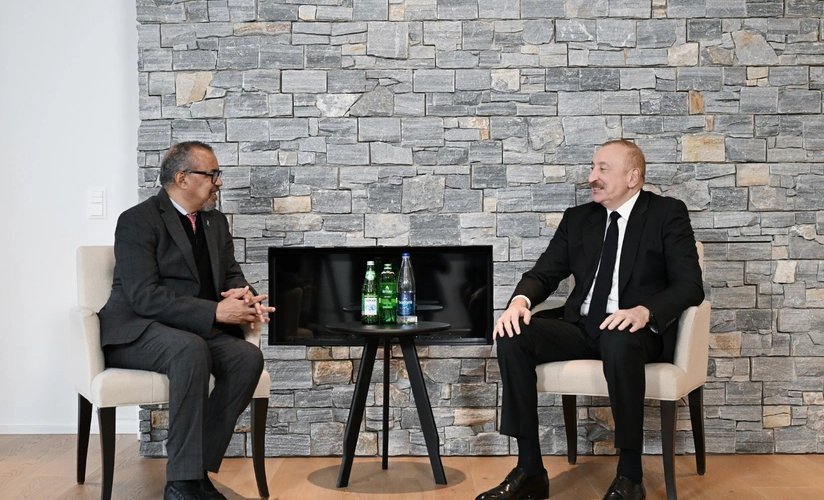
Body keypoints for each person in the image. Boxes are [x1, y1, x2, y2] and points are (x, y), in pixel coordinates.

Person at [476, 140, 704, 500]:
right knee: (513, 333)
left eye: (602, 169)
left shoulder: (666, 213)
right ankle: (530, 469)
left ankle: (630, 477)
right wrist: (519, 302)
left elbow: (690, 285)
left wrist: (644, 311)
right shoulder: (579, 219)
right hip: (582, 327)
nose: (591, 177)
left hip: (635, 331)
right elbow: (544, 273)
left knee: (618, 338)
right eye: (592, 167)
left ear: (633, 177)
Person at [99, 141, 275, 500]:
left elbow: (231, 275)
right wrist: (214, 312)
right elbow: (143, 296)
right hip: (136, 330)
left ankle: (195, 472)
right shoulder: (137, 221)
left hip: (190, 331)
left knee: (246, 357)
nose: (218, 182)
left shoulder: (215, 222)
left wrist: (245, 298)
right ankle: (180, 484)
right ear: (182, 178)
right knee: (189, 349)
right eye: (212, 174)